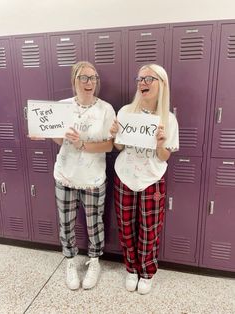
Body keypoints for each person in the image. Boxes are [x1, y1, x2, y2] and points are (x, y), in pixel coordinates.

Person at [110, 63, 179, 295]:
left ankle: (147, 272)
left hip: (152, 178)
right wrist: (114, 134)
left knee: (150, 229)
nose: (143, 83)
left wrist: (160, 143)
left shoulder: (168, 119)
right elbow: (119, 146)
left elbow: (164, 156)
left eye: (149, 79)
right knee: (126, 226)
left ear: (162, 84)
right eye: (140, 79)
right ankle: (131, 268)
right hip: (125, 176)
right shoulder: (126, 112)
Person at [53, 61, 116, 290]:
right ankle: (70, 262)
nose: (90, 82)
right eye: (84, 78)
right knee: (66, 223)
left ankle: (95, 261)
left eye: (93, 78)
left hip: (93, 179)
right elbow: (59, 140)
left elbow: (110, 145)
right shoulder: (62, 106)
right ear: (74, 81)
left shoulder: (106, 109)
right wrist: (46, 133)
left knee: (94, 224)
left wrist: (82, 145)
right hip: (65, 175)